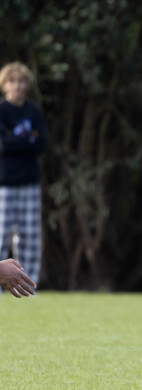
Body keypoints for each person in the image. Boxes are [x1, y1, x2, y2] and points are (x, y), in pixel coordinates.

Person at [0, 62, 47, 291]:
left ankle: (28, 285)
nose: (17, 86)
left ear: (27, 85)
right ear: (4, 85)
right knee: (1, 233)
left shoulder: (33, 111)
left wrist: (15, 140)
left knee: (29, 236)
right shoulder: (1, 111)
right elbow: (3, 144)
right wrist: (26, 138)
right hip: (4, 182)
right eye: (12, 81)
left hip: (30, 181)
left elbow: (41, 143)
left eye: (21, 81)